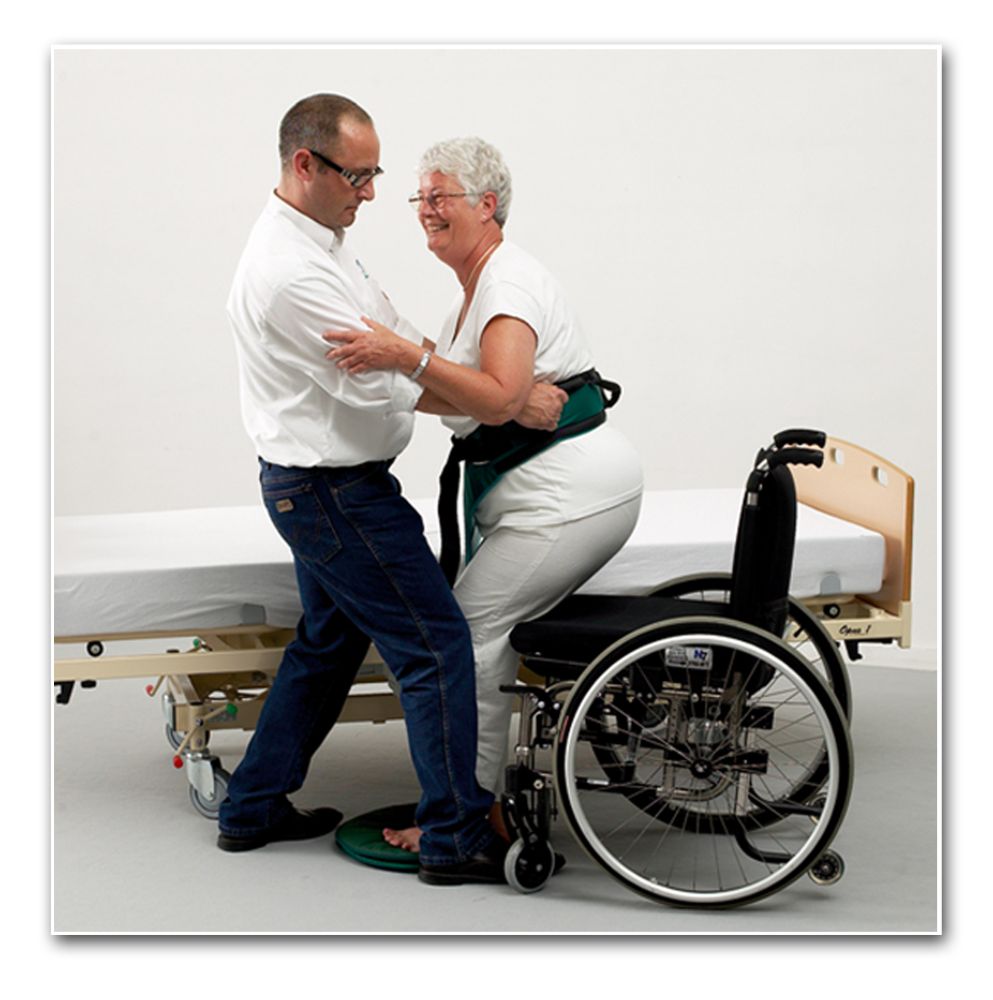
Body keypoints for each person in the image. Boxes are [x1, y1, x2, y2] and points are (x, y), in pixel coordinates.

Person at [222, 96, 563, 886]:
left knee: (328, 644)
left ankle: (252, 806)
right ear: (304, 164)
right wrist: (502, 400)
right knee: (436, 644)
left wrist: (437, 368)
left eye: (376, 174)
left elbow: (399, 339)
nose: (373, 193)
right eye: (359, 175)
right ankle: (453, 835)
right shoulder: (289, 272)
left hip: (325, 486)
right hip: (333, 494)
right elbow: (379, 384)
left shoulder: (326, 247)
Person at [324, 136, 645, 852]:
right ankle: (472, 799)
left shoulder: (506, 287)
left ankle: (474, 814)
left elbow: (487, 395)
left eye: (439, 196)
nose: (425, 209)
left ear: (487, 205)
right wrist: (417, 374)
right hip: (542, 490)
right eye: (420, 197)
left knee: (465, 635)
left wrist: (411, 360)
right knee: (461, 633)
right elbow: (469, 397)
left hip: (569, 494)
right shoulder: (474, 293)